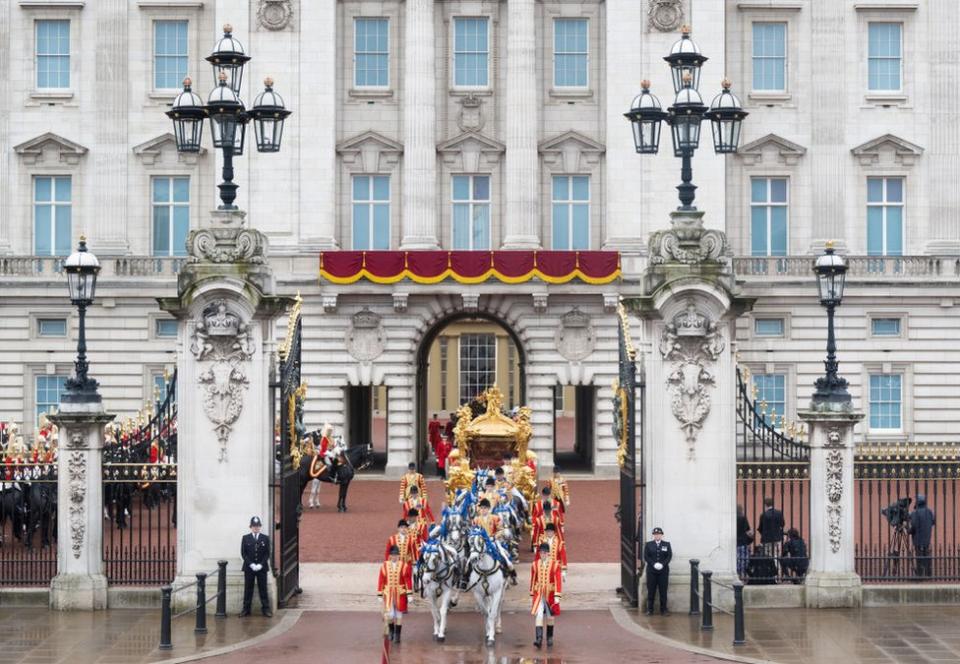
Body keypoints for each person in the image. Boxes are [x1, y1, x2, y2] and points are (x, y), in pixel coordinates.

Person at [378, 544, 413, 643]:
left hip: (400, 594)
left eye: (396, 555)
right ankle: (392, 632)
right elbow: (381, 579)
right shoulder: (385, 565)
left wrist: (409, 594)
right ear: (390, 556)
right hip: (388, 594)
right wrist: (380, 594)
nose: (394, 556)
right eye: (393, 555)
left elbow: (407, 580)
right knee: (389, 615)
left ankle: (397, 636)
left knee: (399, 615)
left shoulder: (404, 565)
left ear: (398, 556)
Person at [530, 541, 563, 649]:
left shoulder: (555, 565)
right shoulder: (535, 564)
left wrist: (557, 596)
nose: (542, 554)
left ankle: (549, 638)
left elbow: (558, 580)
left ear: (548, 553)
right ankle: (539, 639)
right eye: (541, 552)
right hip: (539, 593)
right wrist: (532, 593)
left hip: (550, 593)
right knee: (539, 615)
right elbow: (533, 579)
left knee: (550, 616)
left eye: (544, 552)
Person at [240, 516, 272, 617]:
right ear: (251, 527)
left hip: (261, 568)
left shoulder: (265, 538)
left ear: (260, 527)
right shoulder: (245, 538)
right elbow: (243, 553)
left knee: (263, 588)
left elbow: (267, 553)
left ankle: (266, 609)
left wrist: (261, 564)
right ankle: (246, 609)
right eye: (254, 526)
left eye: (257, 526)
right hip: (249, 568)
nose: (256, 528)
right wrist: (251, 564)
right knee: (248, 589)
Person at [642, 527, 672, 615]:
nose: (657, 536)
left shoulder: (667, 544)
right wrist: (653, 564)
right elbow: (646, 556)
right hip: (652, 571)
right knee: (651, 590)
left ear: (662, 535)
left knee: (663, 591)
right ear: (653, 535)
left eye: (659, 534)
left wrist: (663, 564)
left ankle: (664, 610)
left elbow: (669, 556)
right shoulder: (648, 544)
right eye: (655, 534)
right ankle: (649, 610)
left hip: (663, 571)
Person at [909, 494, 936, 578]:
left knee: (919, 555)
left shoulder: (915, 513)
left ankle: (920, 574)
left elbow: (913, 527)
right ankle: (928, 573)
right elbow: (933, 522)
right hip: (927, 537)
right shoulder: (930, 511)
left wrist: (908, 530)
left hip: (918, 538)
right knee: (927, 554)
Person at [757, 497, 784, 576]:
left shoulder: (764, 515)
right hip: (777, 539)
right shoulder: (779, 513)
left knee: (768, 558)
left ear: (765, 505)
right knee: (776, 557)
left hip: (767, 539)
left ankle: (771, 574)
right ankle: (778, 574)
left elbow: (760, 528)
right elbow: (782, 524)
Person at [736, 505, 754, 579]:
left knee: (737, 559)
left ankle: (737, 574)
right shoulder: (743, 518)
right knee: (744, 559)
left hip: (735, 541)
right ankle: (742, 575)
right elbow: (747, 529)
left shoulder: (731, 518)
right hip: (743, 541)